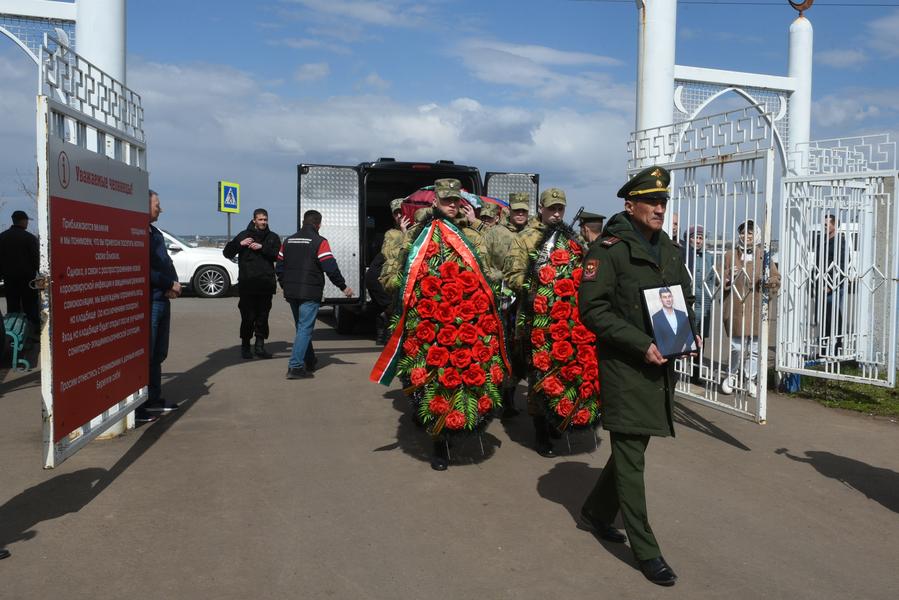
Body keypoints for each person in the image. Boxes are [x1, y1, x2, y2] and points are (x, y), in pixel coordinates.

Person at [578, 166, 698, 587]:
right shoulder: (608, 250)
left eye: (664, 201)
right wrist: (638, 343)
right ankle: (647, 551)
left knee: (634, 447)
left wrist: (688, 329)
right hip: (627, 367)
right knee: (632, 453)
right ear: (630, 205)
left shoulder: (667, 247)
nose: (660, 208)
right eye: (652, 201)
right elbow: (593, 310)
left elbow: (685, 294)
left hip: (662, 367)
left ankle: (594, 512)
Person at [374, 178, 499, 471]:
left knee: (464, 380)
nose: (452, 205)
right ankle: (439, 443)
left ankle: (460, 428)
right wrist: (410, 288)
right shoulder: (417, 235)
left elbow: (490, 274)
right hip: (426, 323)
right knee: (434, 385)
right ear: (434, 202)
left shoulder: (473, 238)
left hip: (467, 321)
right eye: (446, 200)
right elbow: (391, 276)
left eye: (456, 200)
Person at [503, 188, 572, 457]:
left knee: (562, 374)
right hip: (533, 319)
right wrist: (535, 288)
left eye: (560, 209)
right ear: (540, 209)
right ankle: (540, 431)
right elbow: (512, 274)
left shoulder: (569, 238)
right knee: (538, 375)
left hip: (563, 320)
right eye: (552, 208)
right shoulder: (525, 239)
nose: (556, 213)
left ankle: (556, 418)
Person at [277, 210, 353, 379]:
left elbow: (279, 267)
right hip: (310, 292)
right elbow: (330, 267)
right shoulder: (319, 241)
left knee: (301, 328)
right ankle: (295, 367)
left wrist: (284, 284)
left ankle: (310, 360)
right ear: (318, 224)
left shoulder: (288, 241)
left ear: (303, 222)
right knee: (305, 329)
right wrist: (343, 287)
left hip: (291, 292)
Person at [720, 219, 781, 397]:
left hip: (755, 307)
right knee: (736, 346)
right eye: (742, 232)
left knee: (754, 347)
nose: (745, 236)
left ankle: (750, 379)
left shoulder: (764, 256)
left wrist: (769, 282)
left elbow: (776, 278)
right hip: (736, 306)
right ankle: (731, 375)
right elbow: (718, 277)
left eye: (749, 233)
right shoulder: (730, 255)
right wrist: (728, 277)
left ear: (757, 236)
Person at [223, 209, 281, 359]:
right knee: (248, 317)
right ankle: (245, 346)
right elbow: (227, 253)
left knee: (263, 317)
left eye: (265, 220)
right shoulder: (244, 235)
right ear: (254, 220)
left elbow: (278, 256)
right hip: (247, 284)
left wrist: (262, 248)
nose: (263, 222)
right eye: (260, 220)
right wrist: (239, 244)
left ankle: (260, 347)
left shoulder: (273, 237)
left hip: (265, 285)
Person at [145, 190, 182, 421]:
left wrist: (172, 284)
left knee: (158, 354)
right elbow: (144, 269)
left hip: (162, 299)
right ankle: (142, 405)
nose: (161, 208)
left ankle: (154, 399)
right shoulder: (137, 233)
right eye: (157, 204)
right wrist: (169, 283)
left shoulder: (154, 232)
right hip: (149, 302)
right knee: (147, 355)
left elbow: (165, 262)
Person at [0, 210, 40, 327]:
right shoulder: (29, 238)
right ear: (23, 221)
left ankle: (13, 329)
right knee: (30, 307)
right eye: (27, 220)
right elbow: (36, 259)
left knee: (12, 307)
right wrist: (39, 273)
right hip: (28, 280)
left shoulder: (2, 237)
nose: (27, 223)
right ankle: (32, 330)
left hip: (9, 279)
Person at [816, 214, 846, 353]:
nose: (824, 227)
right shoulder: (821, 240)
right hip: (821, 283)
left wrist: (831, 285)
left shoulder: (840, 241)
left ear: (835, 225)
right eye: (824, 224)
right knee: (823, 316)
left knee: (833, 316)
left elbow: (842, 264)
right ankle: (823, 348)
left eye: (827, 224)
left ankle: (837, 346)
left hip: (833, 285)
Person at [682, 225, 714, 338]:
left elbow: (714, 279)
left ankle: (698, 356)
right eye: (695, 237)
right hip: (688, 301)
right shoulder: (683, 255)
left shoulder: (709, 257)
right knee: (685, 336)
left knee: (700, 337)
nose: (698, 241)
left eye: (701, 238)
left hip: (704, 303)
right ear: (688, 238)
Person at [650, 287, 695, 356]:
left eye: (669, 296)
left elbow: (690, 333)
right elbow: (659, 340)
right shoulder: (656, 317)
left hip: (685, 350)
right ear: (660, 299)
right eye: (664, 297)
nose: (668, 299)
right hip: (668, 354)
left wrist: (686, 345)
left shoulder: (682, 314)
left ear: (672, 297)